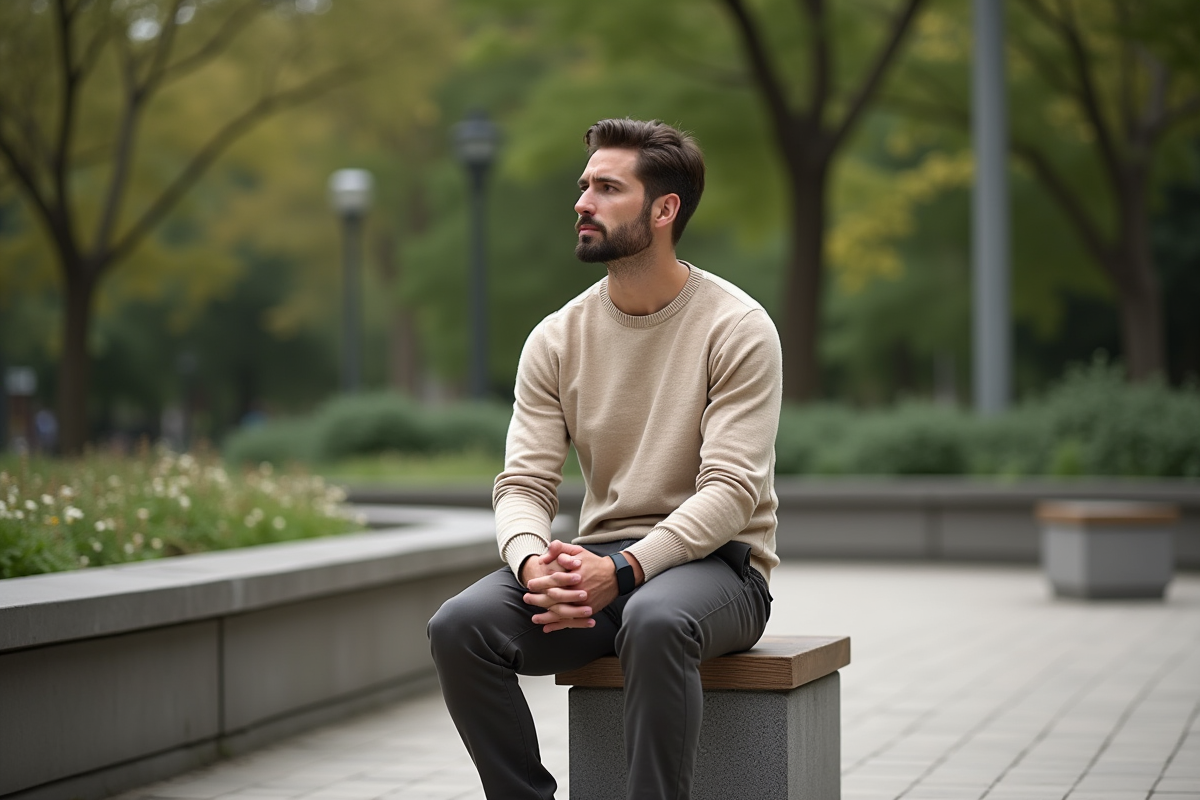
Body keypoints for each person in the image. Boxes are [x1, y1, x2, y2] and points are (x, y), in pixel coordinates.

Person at [428, 118, 782, 800]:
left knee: (655, 620)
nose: (582, 202)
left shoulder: (736, 326)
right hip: (600, 562)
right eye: (584, 184)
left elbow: (734, 490)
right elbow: (524, 482)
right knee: (460, 627)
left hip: (722, 569)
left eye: (607, 187)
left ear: (663, 210)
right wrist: (533, 561)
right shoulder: (557, 337)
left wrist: (623, 571)